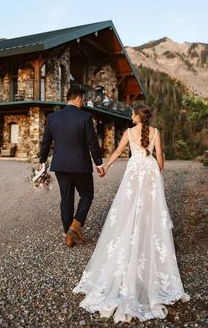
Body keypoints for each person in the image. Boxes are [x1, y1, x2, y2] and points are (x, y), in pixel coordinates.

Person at [73, 104, 190, 323]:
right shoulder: (156, 132)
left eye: (132, 113)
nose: (131, 116)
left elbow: (118, 152)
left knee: (128, 209)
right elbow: (161, 157)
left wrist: (105, 167)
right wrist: (160, 173)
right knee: (149, 211)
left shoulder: (128, 132)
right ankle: (146, 247)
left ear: (137, 117)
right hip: (150, 171)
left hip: (134, 172)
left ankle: (130, 245)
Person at [39, 85, 105, 247]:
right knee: (87, 194)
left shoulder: (53, 118)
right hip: (80, 164)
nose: (82, 102)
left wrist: (42, 162)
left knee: (66, 199)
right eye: (82, 99)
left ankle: (68, 236)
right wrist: (99, 163)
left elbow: (46, 142)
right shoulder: (85, 117)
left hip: (60, 165)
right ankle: (75, 226)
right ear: (78, 98)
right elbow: (92, 143)